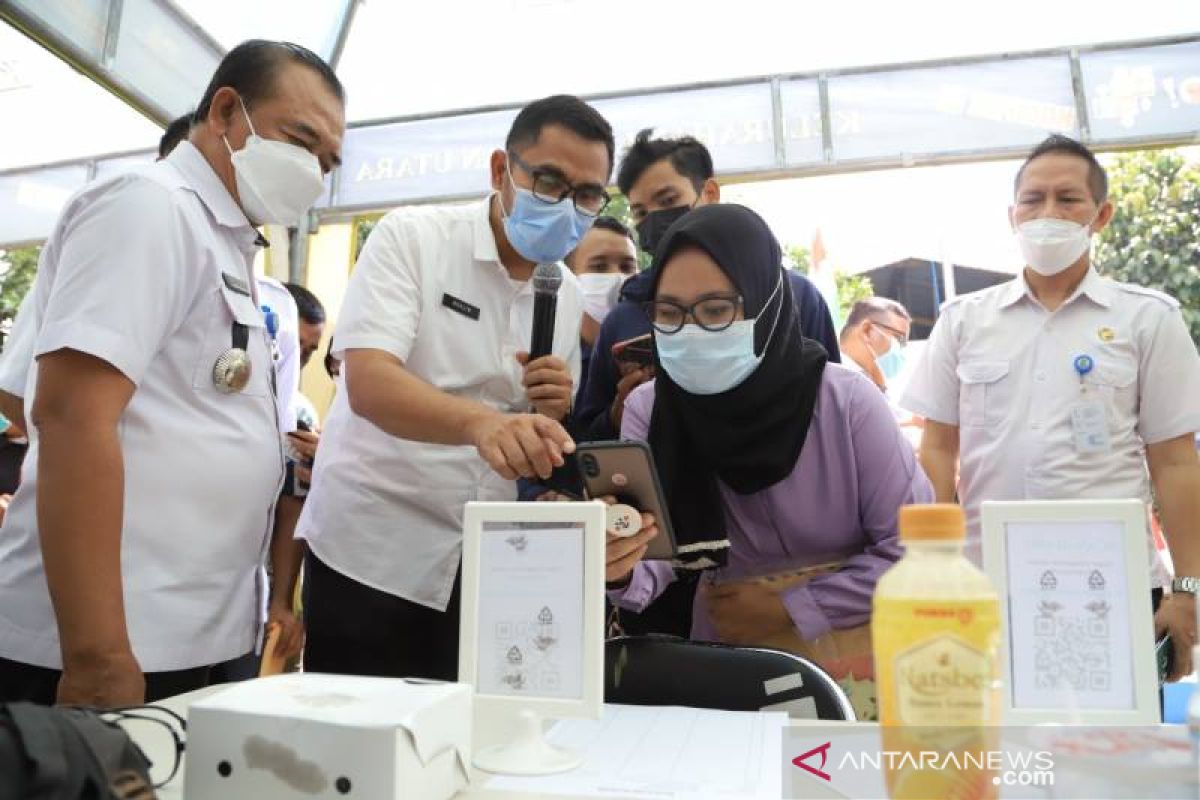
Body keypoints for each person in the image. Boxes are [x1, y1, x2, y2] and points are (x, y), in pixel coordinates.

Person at [0, 39, 344, 707]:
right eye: (301, 141)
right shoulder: (151, 206)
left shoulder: (225, 238)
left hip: (193, 637)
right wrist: (97, 655)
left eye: (328, 161)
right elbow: (70, 416)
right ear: (225, 110)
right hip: (111, 644)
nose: (313, 171)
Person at [295, 95, 612, 681]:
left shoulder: (564, 292)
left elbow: (528, 434)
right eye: (549, 181)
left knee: (461, 747)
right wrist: (481, 423)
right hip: (373, 552)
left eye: (588, 194)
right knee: (361, 746)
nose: (568, 207)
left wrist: (550, 412)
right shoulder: (413, 238)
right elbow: (367, 381)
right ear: (501, 171)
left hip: (485, 563)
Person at [605, 204, 933, 719]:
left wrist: (791, 606)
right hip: (733, 660)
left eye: (716, 310)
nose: (691, 333)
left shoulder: (844, 402)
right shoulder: (652, 410)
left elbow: (915, 549)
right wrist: (616, 563)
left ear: (768, 304)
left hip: (860, 656)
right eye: (669, 313)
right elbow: (653, 563)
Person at [902, 134, 1200, 681]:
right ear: (1011, 215)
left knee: (1112, 757)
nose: (1048, 213)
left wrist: (1188, 588)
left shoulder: (1148, 319)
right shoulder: (964, 320)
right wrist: (929, 570)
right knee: (992, 752)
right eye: (1032, 199)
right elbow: (939, 451)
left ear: (1102, 214)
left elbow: (1176, 462)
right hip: (983, 583)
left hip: (1110, 586)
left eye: (1069, 199)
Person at [574, 129, 841, 445]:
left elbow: (828, 403)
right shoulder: (625, 316)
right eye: (641, 212)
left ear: (710, 193)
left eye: (668, 200)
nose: (656, 219)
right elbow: (588, 435)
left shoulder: (793, 297)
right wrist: (620, 412)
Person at [838, 297, 912, 394]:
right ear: (867, 330)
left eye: (903, 343)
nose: (899, 347)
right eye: (897, 337)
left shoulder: (869, 382)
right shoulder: (833, 379)